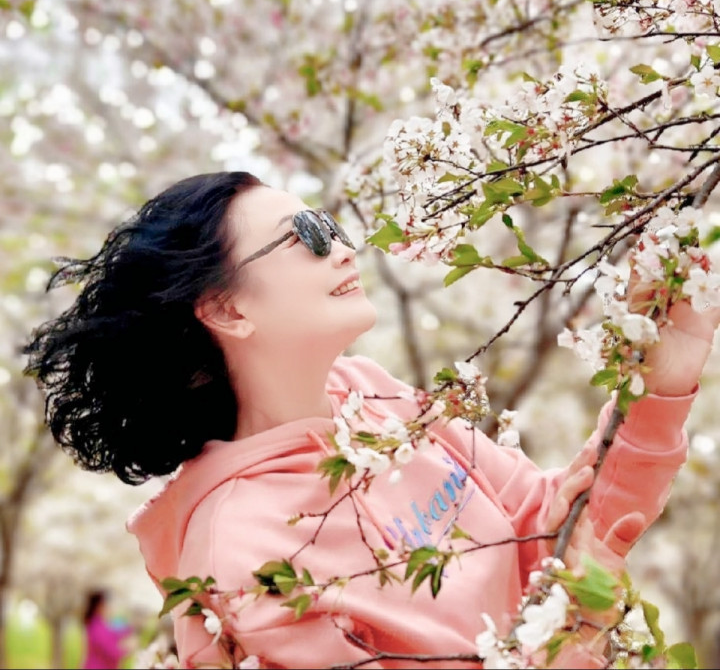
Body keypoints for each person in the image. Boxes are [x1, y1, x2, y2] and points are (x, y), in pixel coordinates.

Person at [23, 171, 719, 669]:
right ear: (228, 310)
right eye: (305, 236)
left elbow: (554, 524)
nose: (343, 248)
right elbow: (580, 569)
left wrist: (660, 380)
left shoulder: (370, 394)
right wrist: (582, 623)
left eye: (331, 226)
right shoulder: (240, 552)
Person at [81, 589, 132, 670]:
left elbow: (112, 634)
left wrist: (128, 630)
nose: (109, 608)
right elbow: (112, 652)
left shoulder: (98, 623)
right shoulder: (96, 627)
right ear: (100, 606)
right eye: (107, 605)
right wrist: (127, 649)